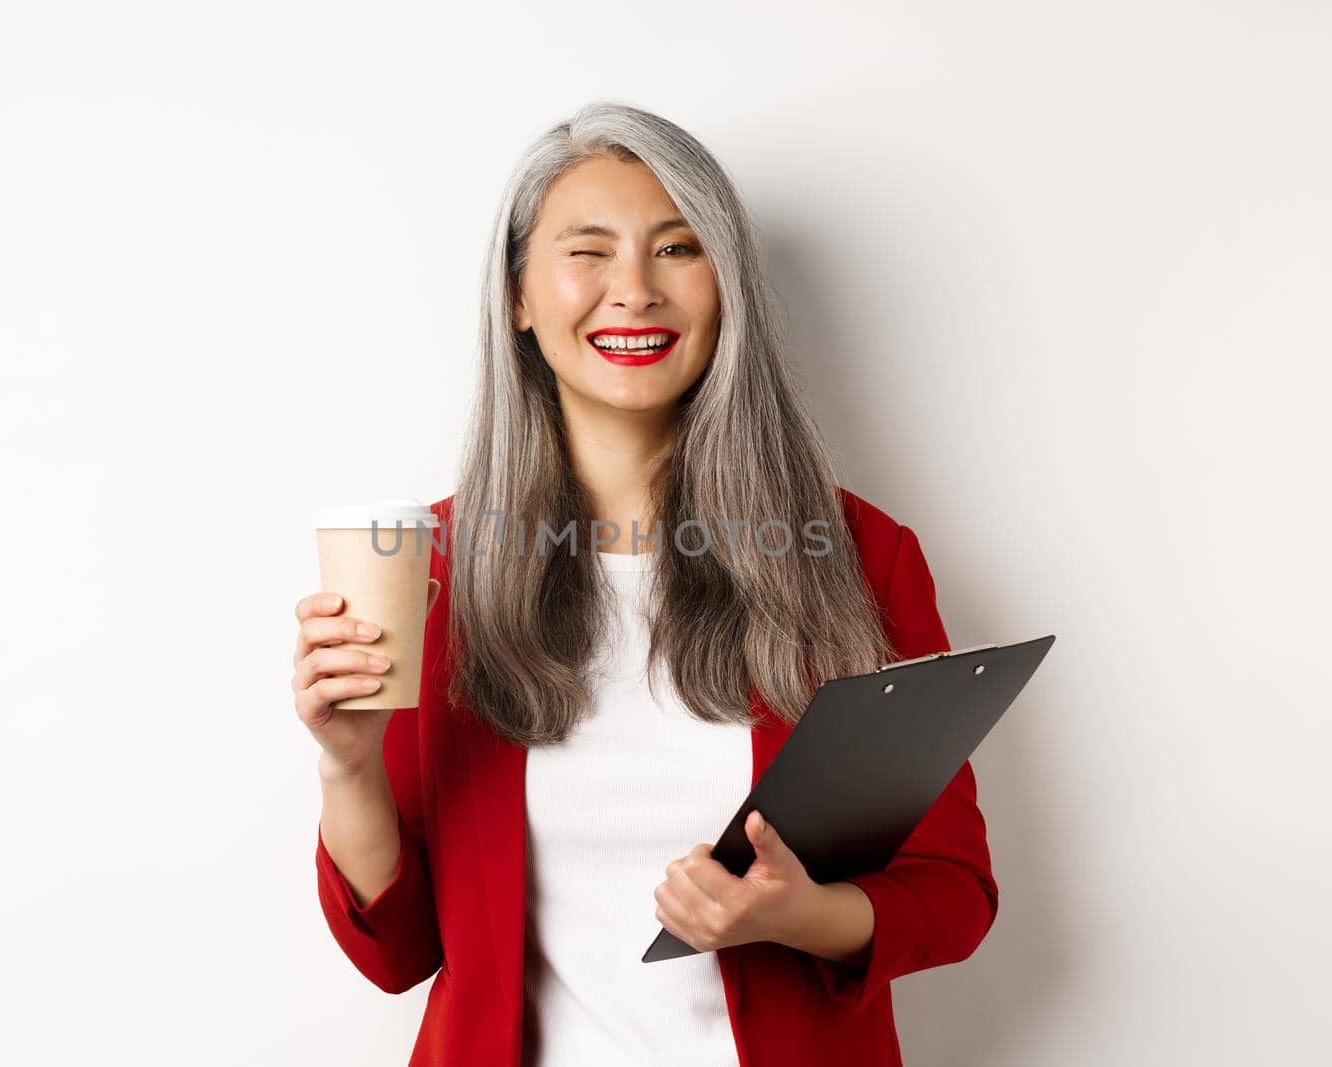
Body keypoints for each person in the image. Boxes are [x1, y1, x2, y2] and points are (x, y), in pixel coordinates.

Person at [290, 101, 998, 1066]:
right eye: (588, 251)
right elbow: (398, 951)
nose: (634, 291)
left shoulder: (857, 555)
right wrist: (348, 762)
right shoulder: (436, 566)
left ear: (728, 286)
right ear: (519, 297)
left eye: (677, 249)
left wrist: (803, 914)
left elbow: (954, 891)